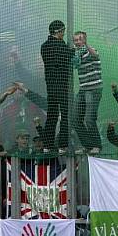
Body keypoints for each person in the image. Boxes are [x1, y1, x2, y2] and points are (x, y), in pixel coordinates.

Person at [40, 20, 75, 150]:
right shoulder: (60, 45)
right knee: (65, 115)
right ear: (59, 32)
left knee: (52, 115)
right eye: (63, 31)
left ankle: (47, 145)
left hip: (50, 85)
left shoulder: (44, 46)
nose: (64, 34)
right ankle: (63, 145)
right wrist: (74, 50)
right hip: (61, 84)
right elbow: (67, 57)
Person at [71, 31, 103, 154]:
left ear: (84, 40)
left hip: (94, 89)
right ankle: (88, 146)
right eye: (75, 40)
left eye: (80, 40)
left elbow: (95, 56)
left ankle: (97, 145)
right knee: (75, 119)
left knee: (89, 119)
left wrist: (87, 46)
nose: (77, 42)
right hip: (83, 89)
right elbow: (74, 63)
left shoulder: (91, 50)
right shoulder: (76, 55)